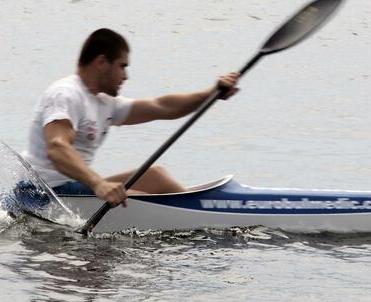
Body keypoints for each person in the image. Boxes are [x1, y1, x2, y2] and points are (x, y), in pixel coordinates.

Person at [22, 28, 240, 208]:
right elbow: (57, 148)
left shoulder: (105, 102)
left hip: (74, 186)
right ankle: (199, 217)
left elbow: (162, 107)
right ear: (101, 62)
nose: (126, 76)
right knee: (140, 199)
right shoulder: (66, 94)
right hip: (44, 193)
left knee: (157, 176)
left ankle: (199, 212)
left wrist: (211, 93)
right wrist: (99, 184)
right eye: (122, 66)